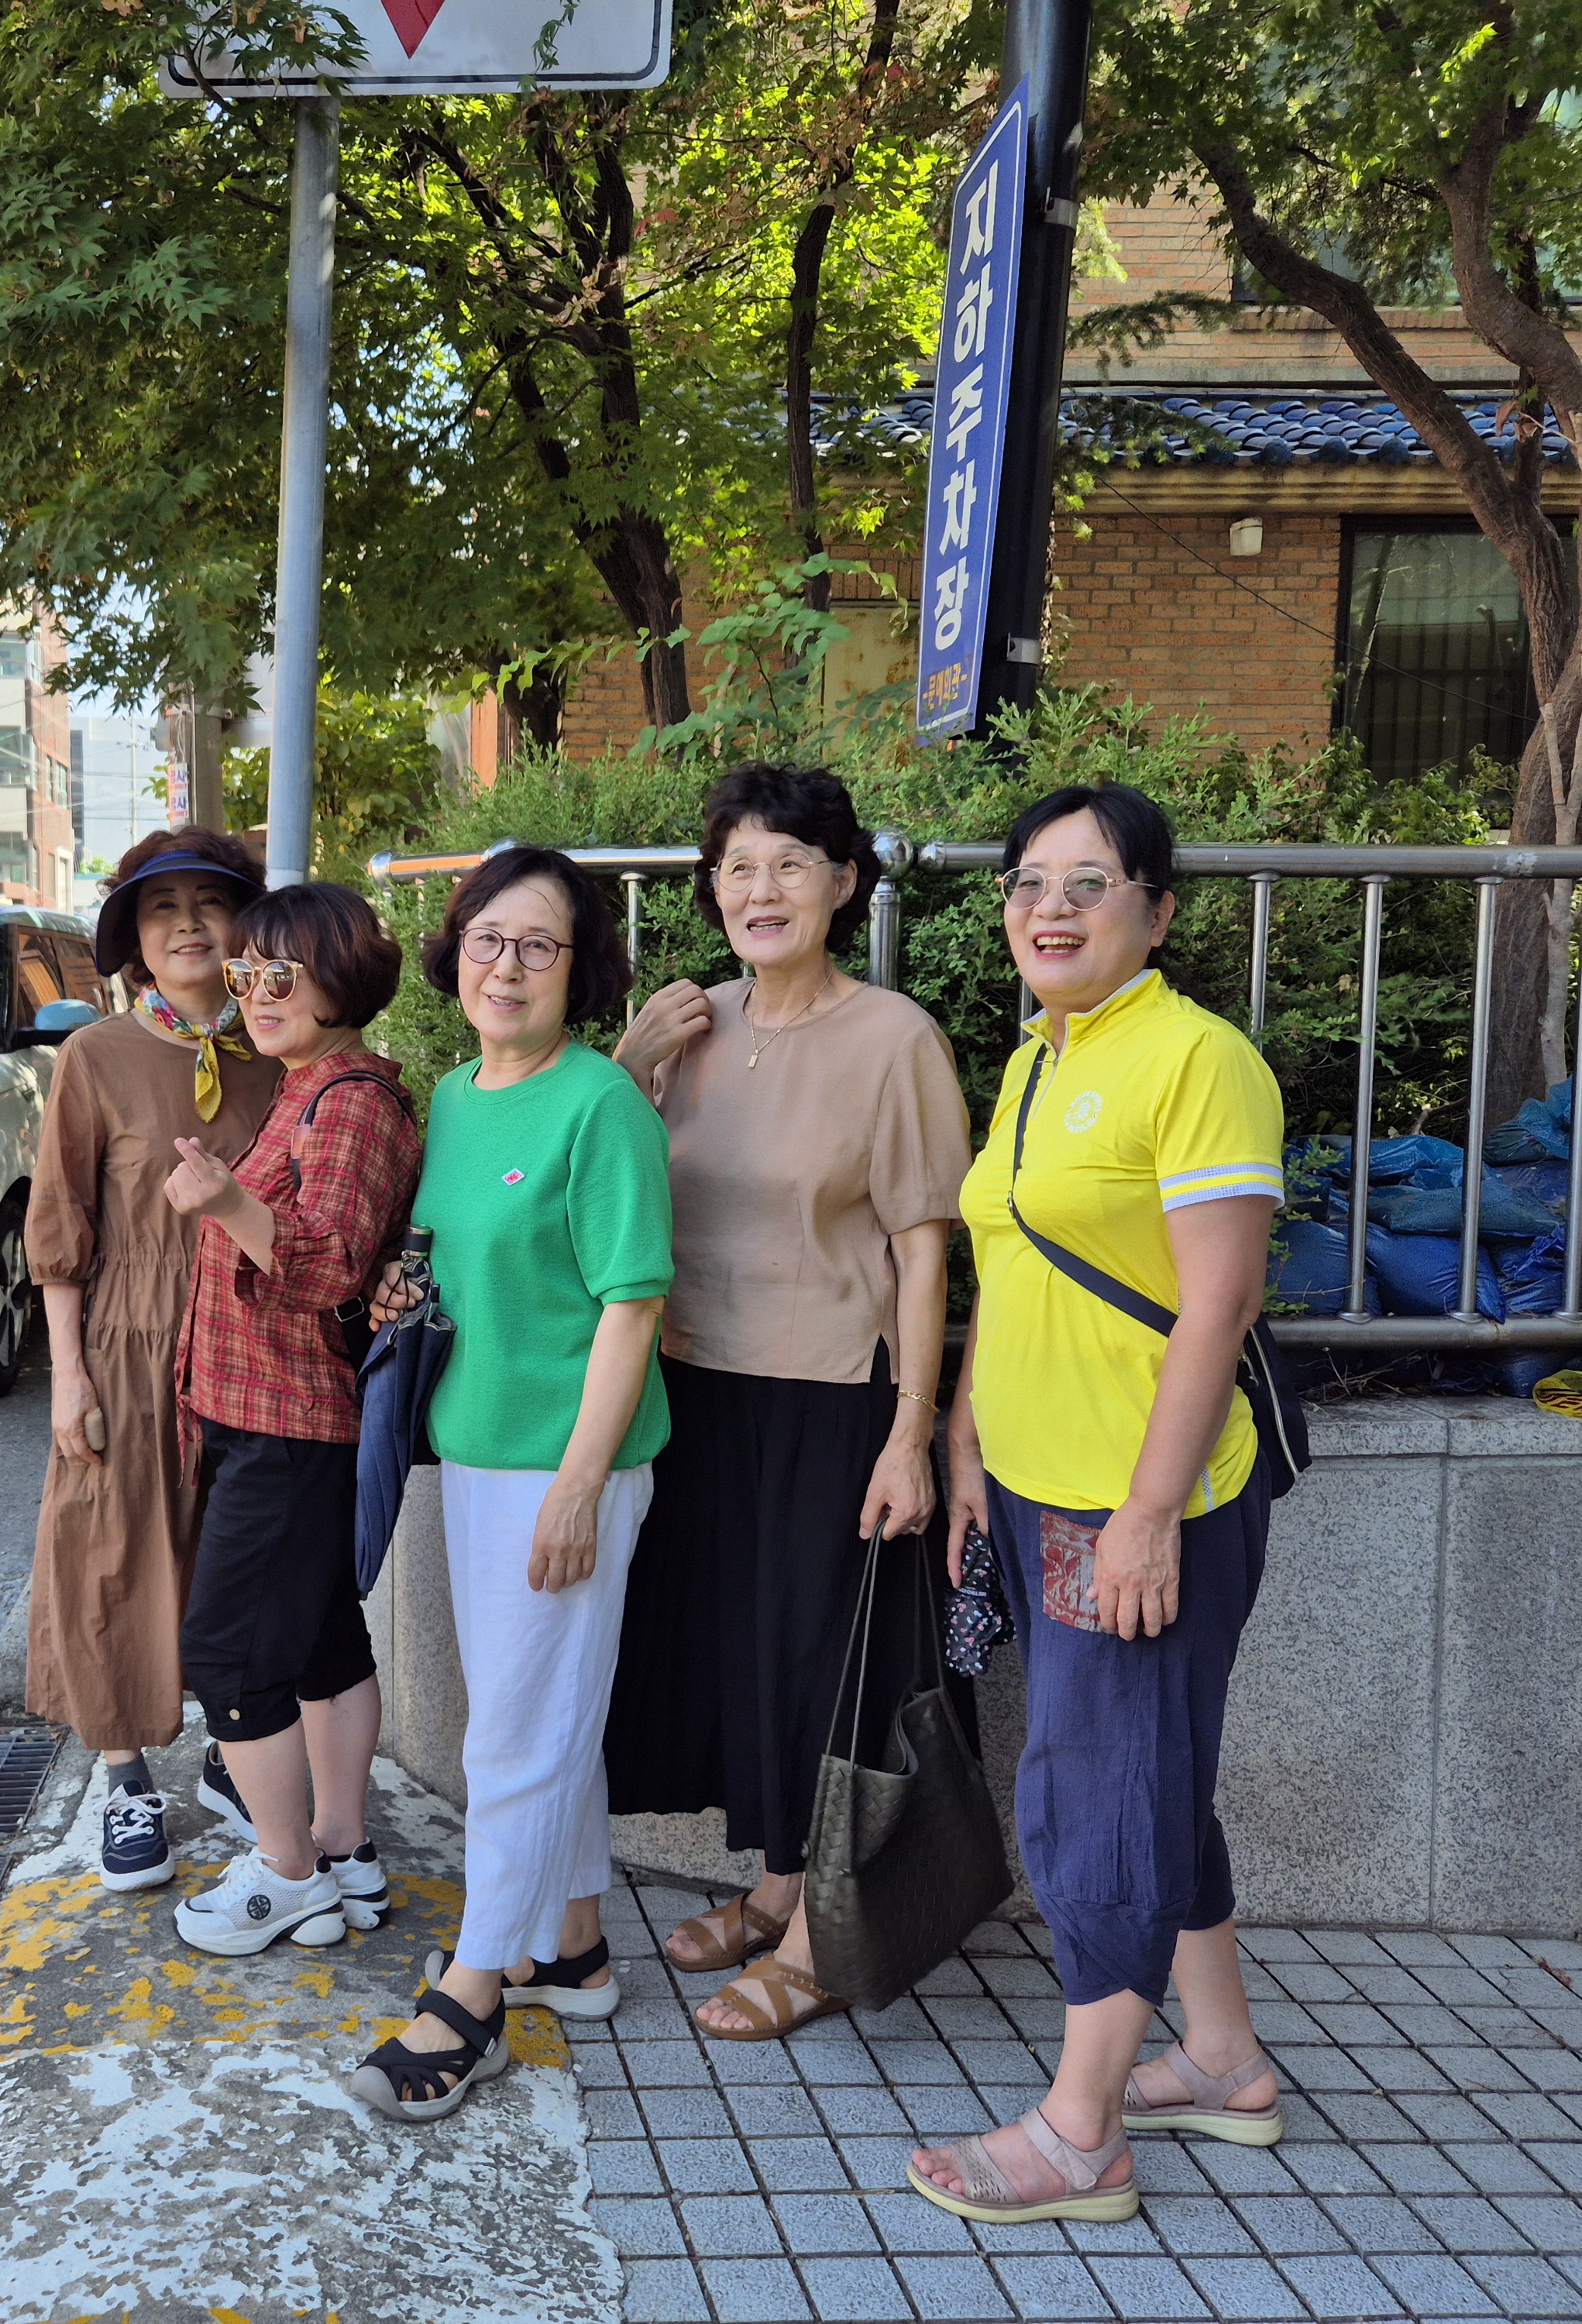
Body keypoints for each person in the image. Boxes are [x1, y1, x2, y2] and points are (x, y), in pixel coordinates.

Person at [908, 783, 1287, 2227]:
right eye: (1028, 882)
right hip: (1033, 1479)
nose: (1049, 908)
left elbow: (1218, 1308)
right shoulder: (1036, 1058)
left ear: (1158, 910)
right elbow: (1012, 1273)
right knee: (1149, 1772)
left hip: (1137, 1498)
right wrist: (963, 1439)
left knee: (1097, 1792)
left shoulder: (1198, 1060)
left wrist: (1143, 1517)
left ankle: (1083, 2136)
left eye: (1089, 881)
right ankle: (1224, 2059)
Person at [602, 762, 974, 2040]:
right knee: (745, 1659)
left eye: (789, 865)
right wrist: (627, 1064)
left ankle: (820, 1943)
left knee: (829, 1669)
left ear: (844, 883)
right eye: (737, 868)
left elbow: (923, 1251)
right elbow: (598, 1182)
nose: (760, 890)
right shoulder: (686, 1025)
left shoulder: (895, 1039)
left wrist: (913, 1432)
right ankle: (775, 1887)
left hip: (834, 1399)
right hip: (696, 1391)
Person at [344, 847, 673, 2126]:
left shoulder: (603, 1107)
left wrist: (581, 1487)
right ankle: (571, 1948)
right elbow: (458, 1257)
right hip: (472, 1451)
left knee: (515, 1736)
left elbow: (631, 1306)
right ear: (456, 952)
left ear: (578, 970)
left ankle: (475, 1992)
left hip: (562, 1465)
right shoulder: (457, 1094)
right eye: (488, 938)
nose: (508, 966)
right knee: (534, 1714)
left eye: (539, 945)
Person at [161, 883, 423, 1955]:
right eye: (245, 973)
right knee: (320, 1640)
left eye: (282, 973)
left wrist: (227, 1201)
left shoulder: (349, 1101)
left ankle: (288, 1874)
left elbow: (331, 1264)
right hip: (266, 1415)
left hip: (291, 1422)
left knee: (228, 1655)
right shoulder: (306, 1086)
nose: (256, 993)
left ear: (341, 977)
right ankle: (344, 1852)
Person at [24, 827, 283, 1893]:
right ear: (134, 935)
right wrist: (68, 1373)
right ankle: (126, 1779)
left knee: (240, 1555)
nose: (186, 925)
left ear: (245, 925)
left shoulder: (282, 1048)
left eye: (208, 903)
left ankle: (233, 1748)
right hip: (128, 1343)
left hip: (254, 1342)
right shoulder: (95, 1057)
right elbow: (61, 1226)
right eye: (161, 907)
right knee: (112, 1550)